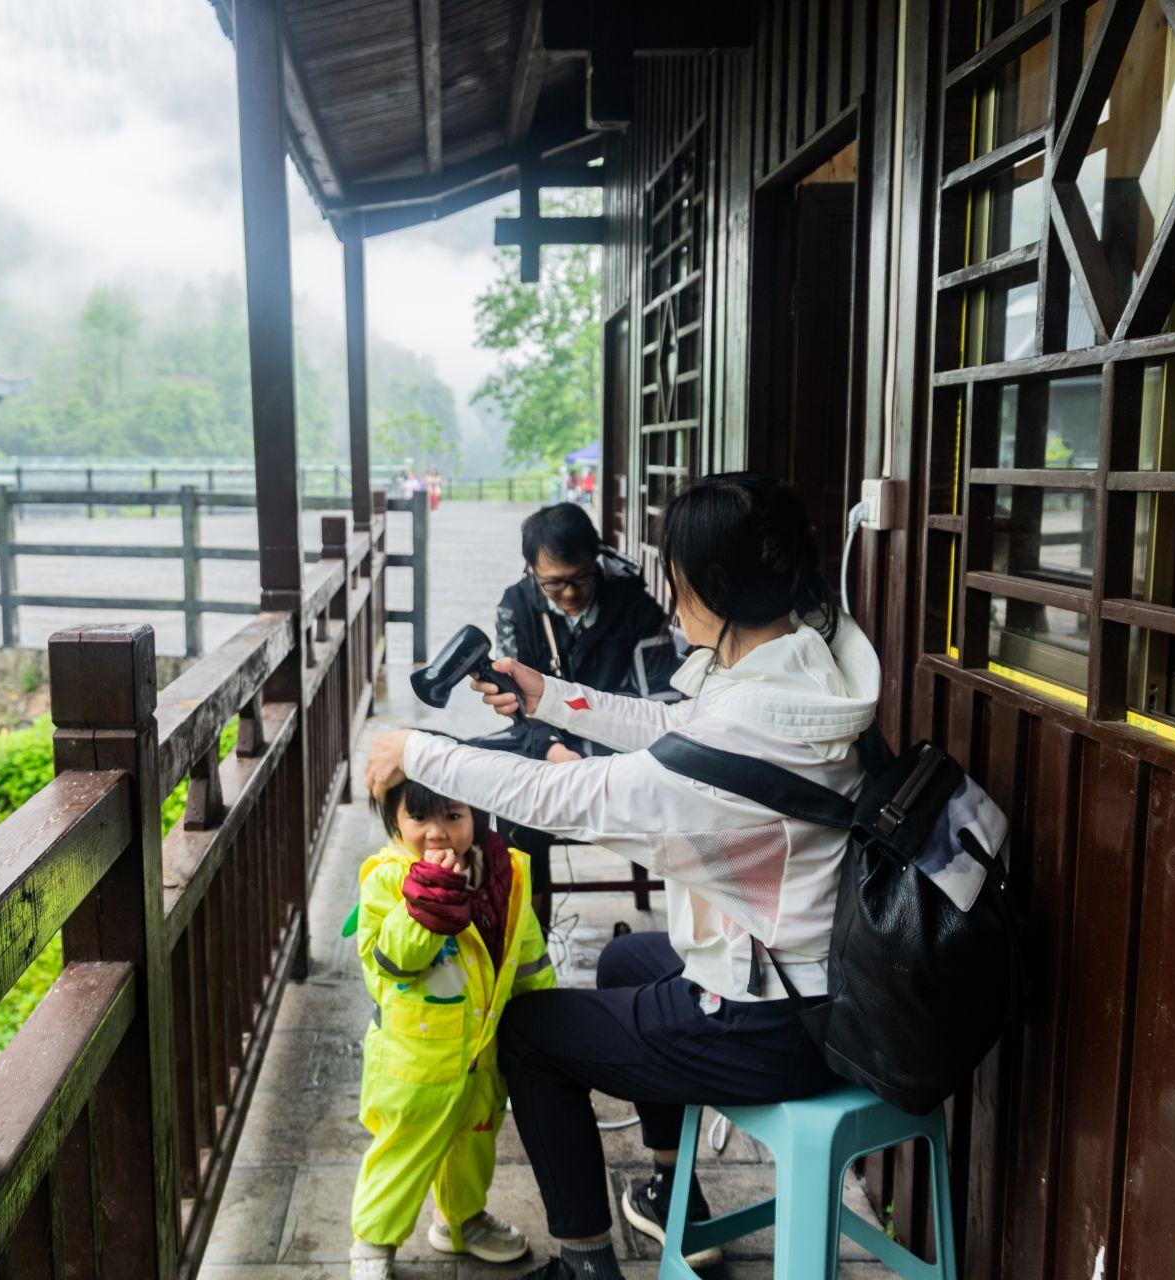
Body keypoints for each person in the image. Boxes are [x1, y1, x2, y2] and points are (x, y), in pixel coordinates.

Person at [364, 472, 880, 1280]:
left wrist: (419, 751)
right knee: (625, 960)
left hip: (776, 1025)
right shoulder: (800, 667)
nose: (670, 600)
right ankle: (676, 1186)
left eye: (677, 579)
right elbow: (675, 726)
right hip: (828, 980)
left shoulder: (753, 722)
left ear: (708, 586)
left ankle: (583, 1260)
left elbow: (571, 796)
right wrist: (549, 697)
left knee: (531, 1037)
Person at [347, 775, 558, 1279]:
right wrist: (426, 903)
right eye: (419, 818)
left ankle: (462, 1220)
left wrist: (546, 1015)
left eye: (453, 816)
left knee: (474, 1144)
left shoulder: (504, 876)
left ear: (477, 814)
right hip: (414, 1060)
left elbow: (525, 955)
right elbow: (391, 963)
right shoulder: (385, 879)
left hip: (482, 1051)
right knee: (403, 1150)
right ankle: (373, 1243)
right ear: (394, 821)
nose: (438, 833)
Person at [471, 504, 683, 862]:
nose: (570, 593)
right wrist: (551, 749)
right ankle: (529, 912)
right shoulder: (516, 607)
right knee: (501, 788)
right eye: (554, 583)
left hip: (619, 743)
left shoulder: (637, 608)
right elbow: (517, 702)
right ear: (531, 568)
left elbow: (662, 702)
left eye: (581, 577)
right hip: (545, 735)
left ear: (596, 561)